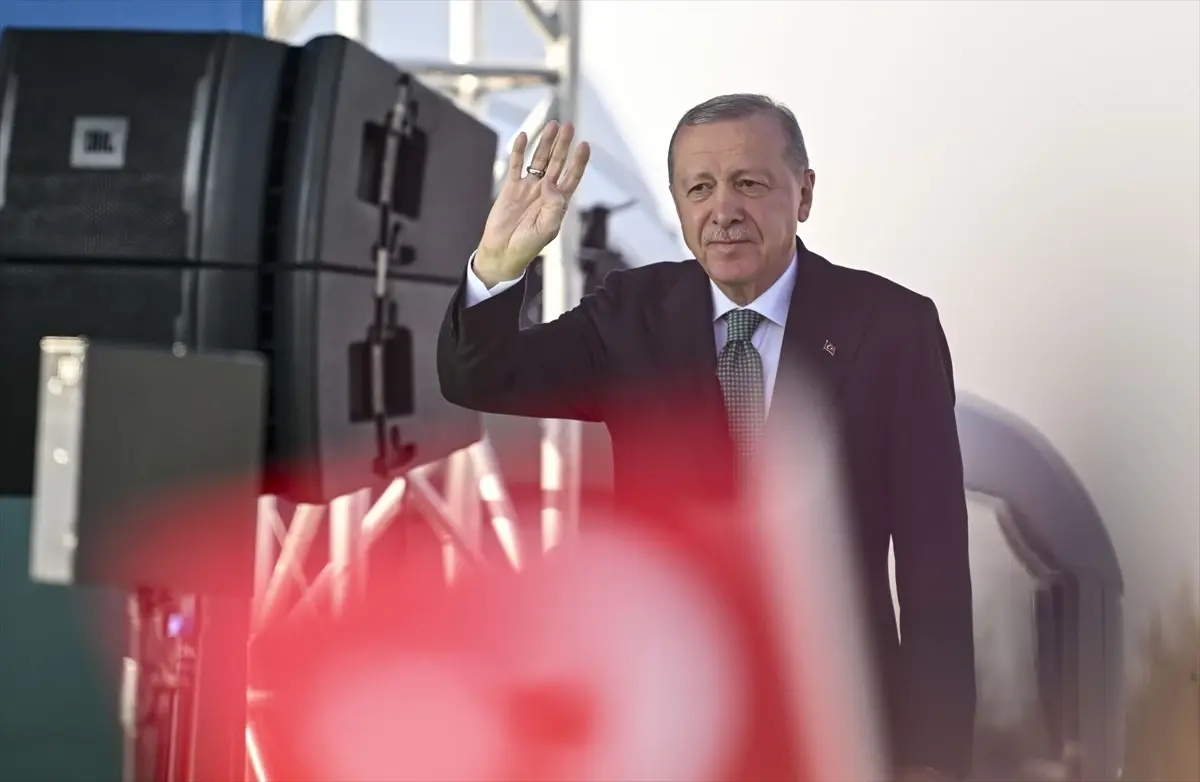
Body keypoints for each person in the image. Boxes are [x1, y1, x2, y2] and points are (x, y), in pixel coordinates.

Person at [437, 94, 976, 781]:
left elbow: (934, 570)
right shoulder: (631, 313)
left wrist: (935, 762)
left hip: (839, 720)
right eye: (699, 189)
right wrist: (498, 262)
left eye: (749, 183)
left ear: (804, 193)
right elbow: (481, 376)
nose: (723, 210)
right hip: (669, 718)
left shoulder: (892, 327)